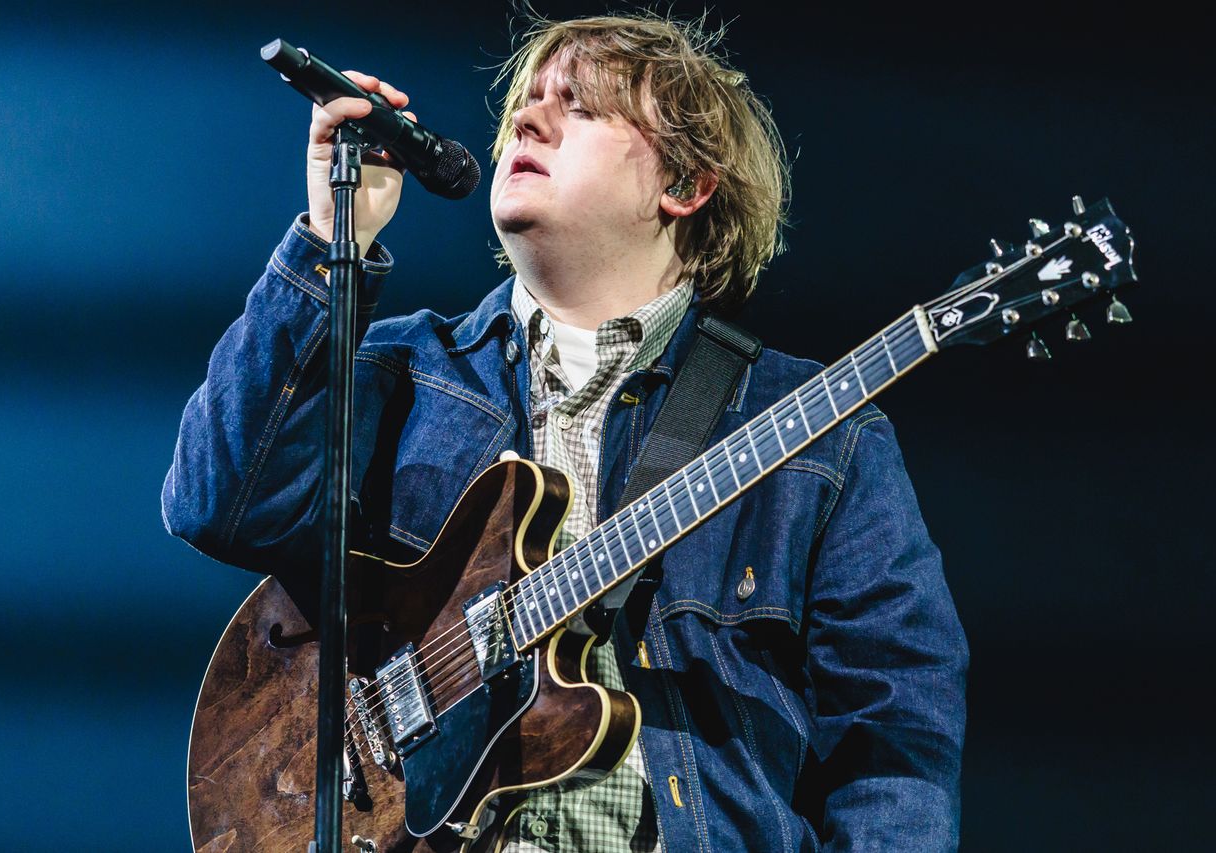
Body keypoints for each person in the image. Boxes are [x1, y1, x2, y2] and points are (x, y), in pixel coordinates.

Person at [163, 11, 968, 852]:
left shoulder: (819, 435)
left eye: (579, 105)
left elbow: (894, 736)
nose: (529, 117)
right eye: (528, 99)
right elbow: (213, 502)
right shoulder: (400, 371)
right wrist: (335, 241)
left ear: (685, 183)